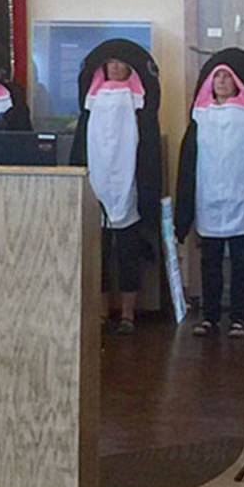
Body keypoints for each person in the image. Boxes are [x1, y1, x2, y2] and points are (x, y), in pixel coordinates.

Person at [175, 48, 244, 339]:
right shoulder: (200, 115)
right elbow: (188, 162)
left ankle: (238, 318)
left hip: (241, 198)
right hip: (208, 198)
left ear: (238, 82)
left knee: (242, 262)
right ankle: (209, 317)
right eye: (216, 76)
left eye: (227, 76)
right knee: (210, 262)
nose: (221, 81)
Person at [70, 40, 162, 335]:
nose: (115, 67)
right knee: (99, 255)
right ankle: (99, 312)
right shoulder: (92, 102)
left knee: (128, 253)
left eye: (121, 63)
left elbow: (148, 151)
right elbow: (80, 147)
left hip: (129, 183)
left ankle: (127, 314)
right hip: (96, 184)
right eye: (110, 62)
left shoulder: (139, 105)